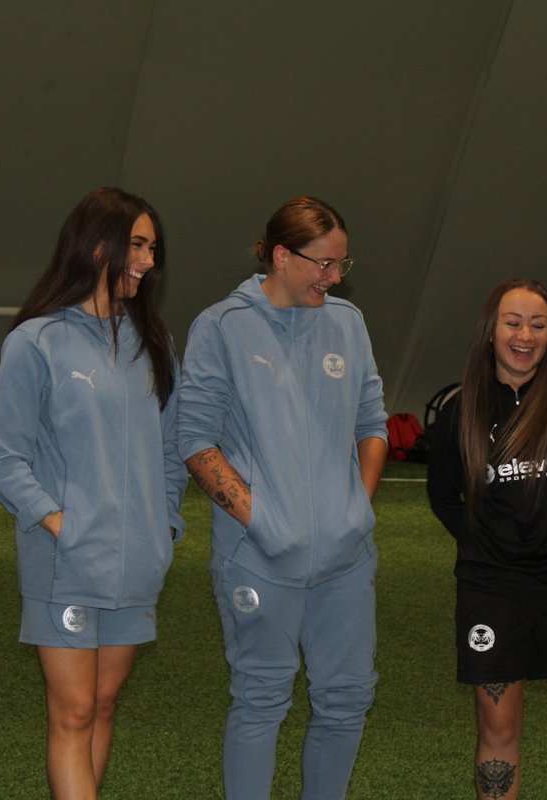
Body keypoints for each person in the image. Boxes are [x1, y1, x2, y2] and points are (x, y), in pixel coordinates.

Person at [178, 196, 388, 799]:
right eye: (322, 263)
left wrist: (357, 510)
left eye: (341, 265)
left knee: (347, 698)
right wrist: (263, 521)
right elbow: (196, 441)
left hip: (346, 561)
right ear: (279, 255)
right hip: (259, 558)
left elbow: (372, 424)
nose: (333, 277)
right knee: (262, 696)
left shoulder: (348, 323)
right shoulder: (223, 325)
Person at [0, 187, 186, 800]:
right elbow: (3, 458)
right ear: (97, 245)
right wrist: (60, 524)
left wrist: (163, 523)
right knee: (71, 713)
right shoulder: (36, 342)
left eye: (153, 248)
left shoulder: (154, 342)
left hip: (138, 561)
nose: (149, 261)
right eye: (138, 245)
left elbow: (171, 451)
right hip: (65, 562)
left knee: (100, 707)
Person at [426, 278, 547, 800]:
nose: (525, 335)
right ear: (491, 330)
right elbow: (444, 496)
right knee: (499, 731)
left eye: (537, 325)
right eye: (513, 322)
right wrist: (489, 545)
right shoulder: (459, 410)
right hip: (492, 590)